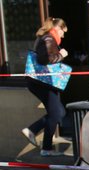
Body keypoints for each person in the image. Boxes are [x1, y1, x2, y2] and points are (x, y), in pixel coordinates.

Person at [21, 17, 69, 157]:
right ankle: (40, 140)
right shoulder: (49, 38)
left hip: (42, 83)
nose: (63, 35)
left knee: (58, 112)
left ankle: (41, 141)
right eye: (63, 32)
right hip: (44, 83)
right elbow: (44, 60)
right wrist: (61, 55)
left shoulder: (47, 38)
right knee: (57, 113)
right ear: (57, 28)